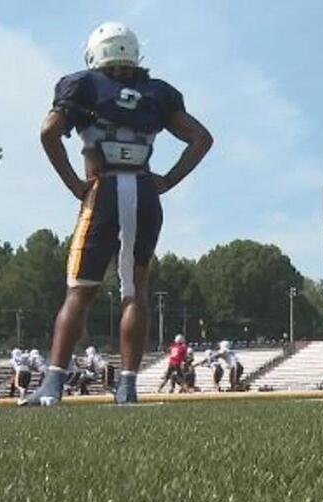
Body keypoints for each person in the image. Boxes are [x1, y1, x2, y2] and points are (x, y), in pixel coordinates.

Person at [21, 21, 212, 407]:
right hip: (143, 192)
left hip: (103, 190)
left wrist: (75, 184)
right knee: (135, 291)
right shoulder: (158, 93)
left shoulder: (84, 85)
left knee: (79, 291)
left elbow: (48, 131)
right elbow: (201, 138)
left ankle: (54, 384)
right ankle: (126, 387)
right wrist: (169, 180)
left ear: (95, 54)